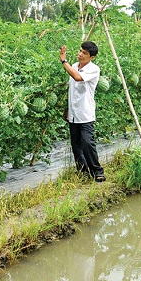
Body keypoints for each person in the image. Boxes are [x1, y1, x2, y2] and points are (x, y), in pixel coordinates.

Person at [59, 41, 106, 182]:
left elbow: (78, 78)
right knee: (76, 144)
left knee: (87, 142)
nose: (80, 54)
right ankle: (82, 171)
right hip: (73, 113)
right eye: (80, 51)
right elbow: (72, 89)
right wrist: (67, 109)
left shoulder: (94, 69)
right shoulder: (74, 66)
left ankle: (98, 171)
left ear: (92, 57)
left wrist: (63, 61)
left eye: (84, 53)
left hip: (85, 113)